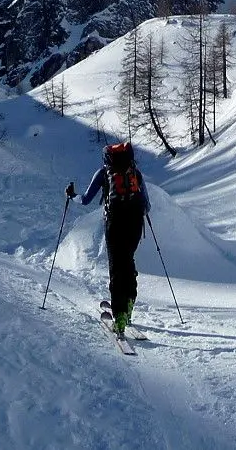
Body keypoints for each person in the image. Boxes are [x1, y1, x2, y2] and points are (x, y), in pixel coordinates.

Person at [71, 141, 150, 334]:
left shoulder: (103, 173)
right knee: (128, 261)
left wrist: (71, 195)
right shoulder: (135, 173)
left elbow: (85, 200)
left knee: (116, 267)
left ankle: (119, 316)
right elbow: (147, 205)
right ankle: (129, 304)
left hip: (114, 224)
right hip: (135, 223)